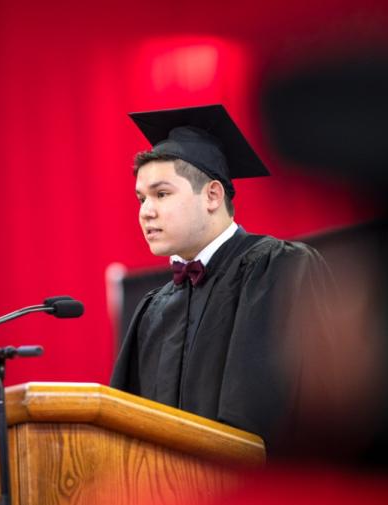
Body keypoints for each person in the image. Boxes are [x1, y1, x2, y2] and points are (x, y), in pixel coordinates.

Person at [110, 105, 340, 456]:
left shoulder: (281, 270)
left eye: (162, 194)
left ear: (213, 196)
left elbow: (321, 407)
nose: (146, 211)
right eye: (141, 198)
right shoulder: (153, 311)